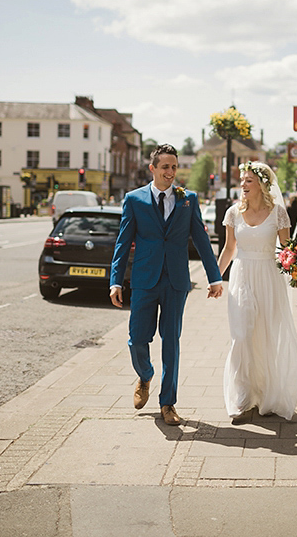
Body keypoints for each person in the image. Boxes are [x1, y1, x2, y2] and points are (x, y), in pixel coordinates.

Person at [109, 144, 223, 426]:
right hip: (145, 279)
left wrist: (215, 277)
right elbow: (123, 243)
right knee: (137, 338)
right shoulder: (134, 200)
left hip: (176, 281)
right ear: (153, 169)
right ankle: (145, 375)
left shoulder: (188, 199)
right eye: (165, 167)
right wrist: (115, 281)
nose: (170, 172)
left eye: (174, 167)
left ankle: (168, 403)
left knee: (171, 342)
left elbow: (201, 239)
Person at [216, 161, 297, 424]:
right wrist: (214, 278)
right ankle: (241, 399)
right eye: (242, 180)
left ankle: (265, 394)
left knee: (265, 336)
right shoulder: (233, 213)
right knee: (241, 335)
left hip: (268, 277)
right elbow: (229, 249)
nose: (243, 184)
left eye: (249, 180)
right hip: (241, 276)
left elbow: (287, 248)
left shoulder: (278, 213)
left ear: (263, 184)